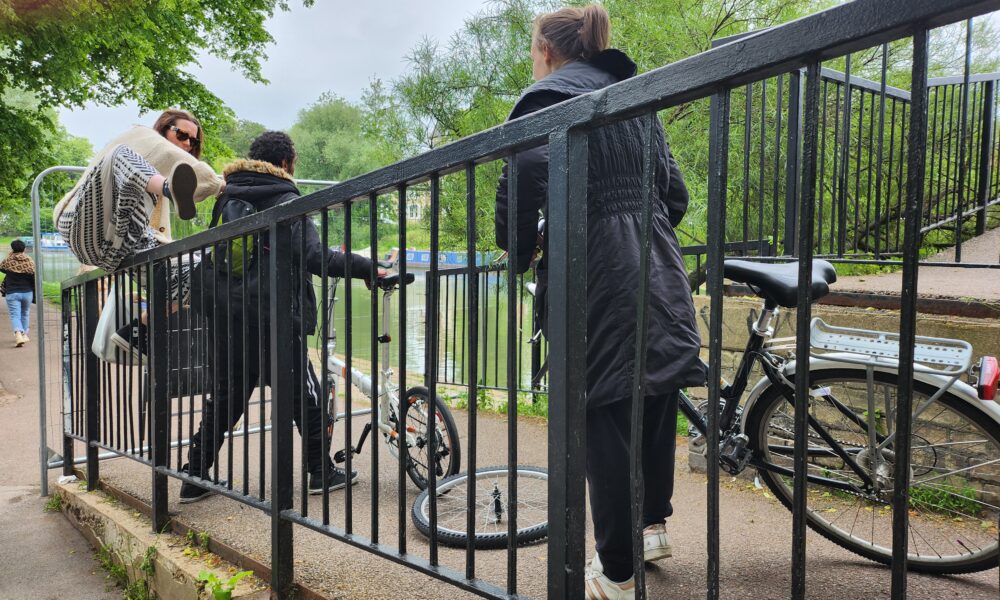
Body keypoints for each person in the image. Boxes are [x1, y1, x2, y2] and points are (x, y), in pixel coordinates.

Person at [494, 6, 705, 598]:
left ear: (547, 51)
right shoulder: (636, 96)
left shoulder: (544, 98)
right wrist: (644, 231)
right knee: (655, 391)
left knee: (601, 410)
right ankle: (652, 528)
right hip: (660, 268)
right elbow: (676, 192)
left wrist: (521, 251)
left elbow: (519, 188)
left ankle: (615, 570)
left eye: (532, 48)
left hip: (596, 277)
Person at [180, 131, 382, 502]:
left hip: (227, 315)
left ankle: (193, 475)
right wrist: (368, 267)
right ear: (287, 163)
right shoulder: (285, 198)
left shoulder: (229, 196)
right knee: (307, 396)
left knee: (227, 396)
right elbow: (314, 256)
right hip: (273, 315)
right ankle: (321, 472)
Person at [52, 109, 224, 355]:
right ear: (162, 129)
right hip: (82, 224)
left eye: (193, 141)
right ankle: (168, 187)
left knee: (203, 268)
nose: (187, 143)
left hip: (117, 247)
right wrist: (221, 186)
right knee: (120, 155)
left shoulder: (155, 194)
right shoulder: (141, 136)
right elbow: (165, 152)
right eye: (182, 135)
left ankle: (138, 329)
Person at [0, 240, 36, 347]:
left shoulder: (8, 261)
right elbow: (33, 275)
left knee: (15, 315)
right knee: (25, 314)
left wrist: (10, 256)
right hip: (27, 293)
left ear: (12, 249)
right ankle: (24, 335)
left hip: (12, 293)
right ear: (24, 249)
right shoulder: (29, 261)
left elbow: (2, 268)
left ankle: (18, 334)